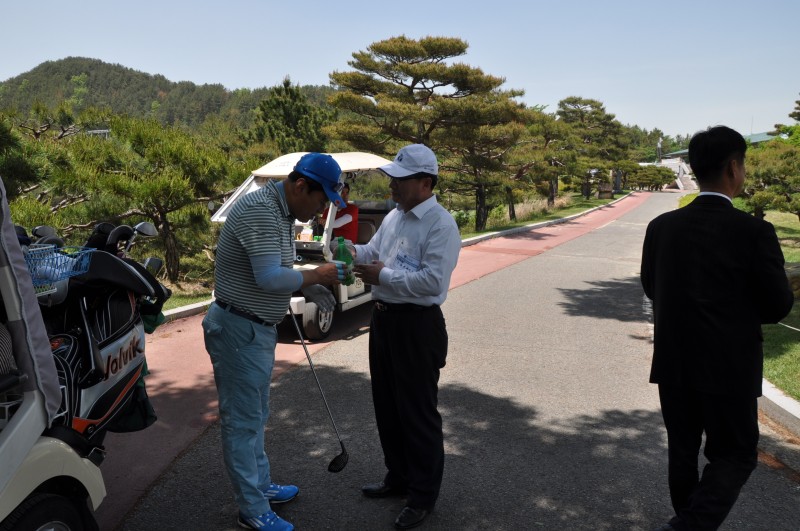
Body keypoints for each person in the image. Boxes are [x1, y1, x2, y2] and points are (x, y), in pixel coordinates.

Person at [640, 126, 794, 531]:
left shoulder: (661, 227)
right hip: (730, 365)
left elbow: (651, 287)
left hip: (674, 360)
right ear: (733, 167)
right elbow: (778, 305)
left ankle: (687, 521)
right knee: (736, 454)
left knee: (682, 452)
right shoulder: (754, 231)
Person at [203, 153, 351, 531]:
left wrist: (307, 283)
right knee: (242, 423)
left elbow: (276, 270)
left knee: (256, 415)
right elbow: (269, 278)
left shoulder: (281, 211)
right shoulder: (261, 210)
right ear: (301, 186)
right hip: (238, 330)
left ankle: (261, 485)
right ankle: (251, 509)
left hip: (253, 329)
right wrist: (317, 275)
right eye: (321, 200)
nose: (321, 210)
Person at [352, 144, 461, 530]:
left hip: (417, 325)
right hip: (383, 320)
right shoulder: (394, 216)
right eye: (391, 178)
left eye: (400, 179)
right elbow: (372, 251)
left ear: (425, 183)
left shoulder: (441, 225)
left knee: (417, 412)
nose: (392, 185)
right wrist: (347, 250)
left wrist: (381, 275)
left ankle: (422, 496)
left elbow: (433, 282)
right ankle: (397, 477)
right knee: (387, 405)